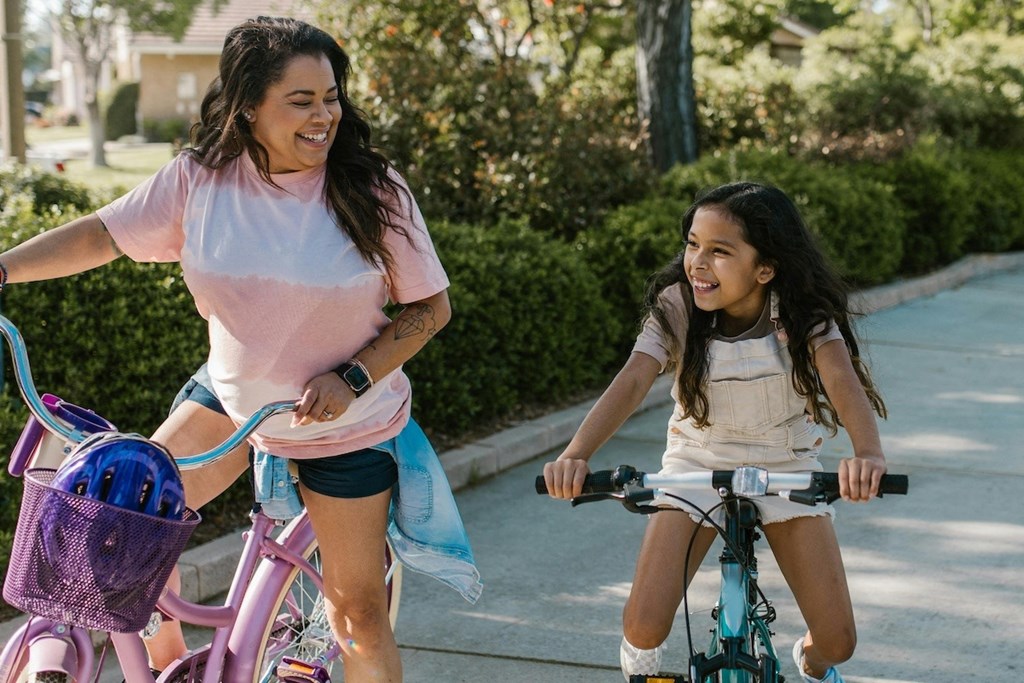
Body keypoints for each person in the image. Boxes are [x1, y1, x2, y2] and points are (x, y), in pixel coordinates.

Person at [0, 16, 480, 682]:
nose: (324, 116)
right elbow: (102, 235)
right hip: (230, 399)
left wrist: (354, 376)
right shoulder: (201, 180)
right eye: (302, 100)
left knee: (358, 619)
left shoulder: (373, 190)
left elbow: (431, 308)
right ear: (249, 106)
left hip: (344, 421)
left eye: (331, 97)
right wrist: (1, 269)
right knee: (122, 533)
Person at [542, 181, 889, 683]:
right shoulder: (679, 306)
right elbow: (635, 376)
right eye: (692, 244)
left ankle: (811, 662)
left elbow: (841, 380)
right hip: (696, 464)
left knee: (839, 641)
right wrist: (575, 453)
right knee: (644, 625)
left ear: (765, 268)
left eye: (720, 251)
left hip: (784, 466)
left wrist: (868, 454)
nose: (697, 262)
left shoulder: (800, 314)